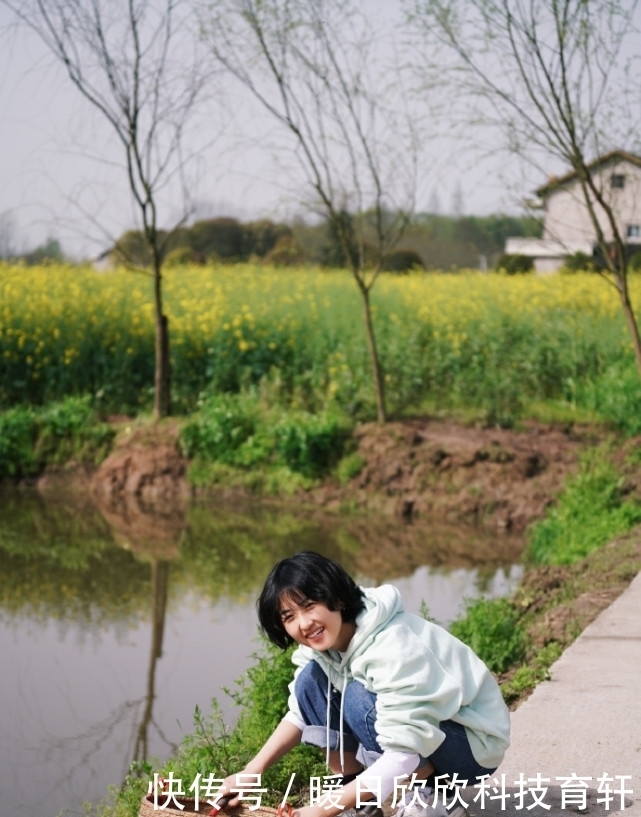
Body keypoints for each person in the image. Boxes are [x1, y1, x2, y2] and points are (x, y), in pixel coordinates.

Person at [217, 551, 510, 817]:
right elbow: (299, 714)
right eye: (290, 617)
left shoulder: (391, 645)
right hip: (432, 734)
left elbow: (403, 754)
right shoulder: (324, 646)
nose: (304, 624)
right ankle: (358, 802)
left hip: (472, 746)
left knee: (359, 697)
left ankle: (435, 794)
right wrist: (251, 772)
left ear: (337, 598)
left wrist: (322, 809)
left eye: (309, 606)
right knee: (311, 681)